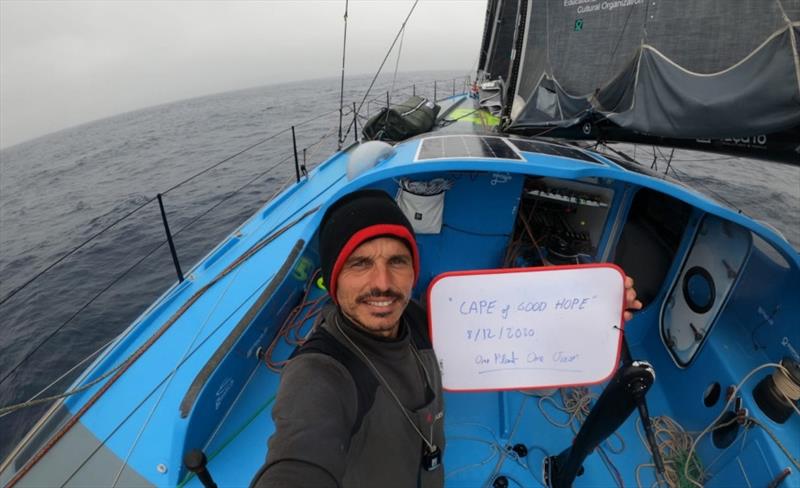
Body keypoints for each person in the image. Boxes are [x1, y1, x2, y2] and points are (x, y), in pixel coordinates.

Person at [251, 189, 642, 488]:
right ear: (333, 281)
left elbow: (519, 330)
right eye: (360, 264)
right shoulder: (320, 372)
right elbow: (298, 459)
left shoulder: (420, 318)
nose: (383, 284)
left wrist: (594, 309)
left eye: (397, 261)